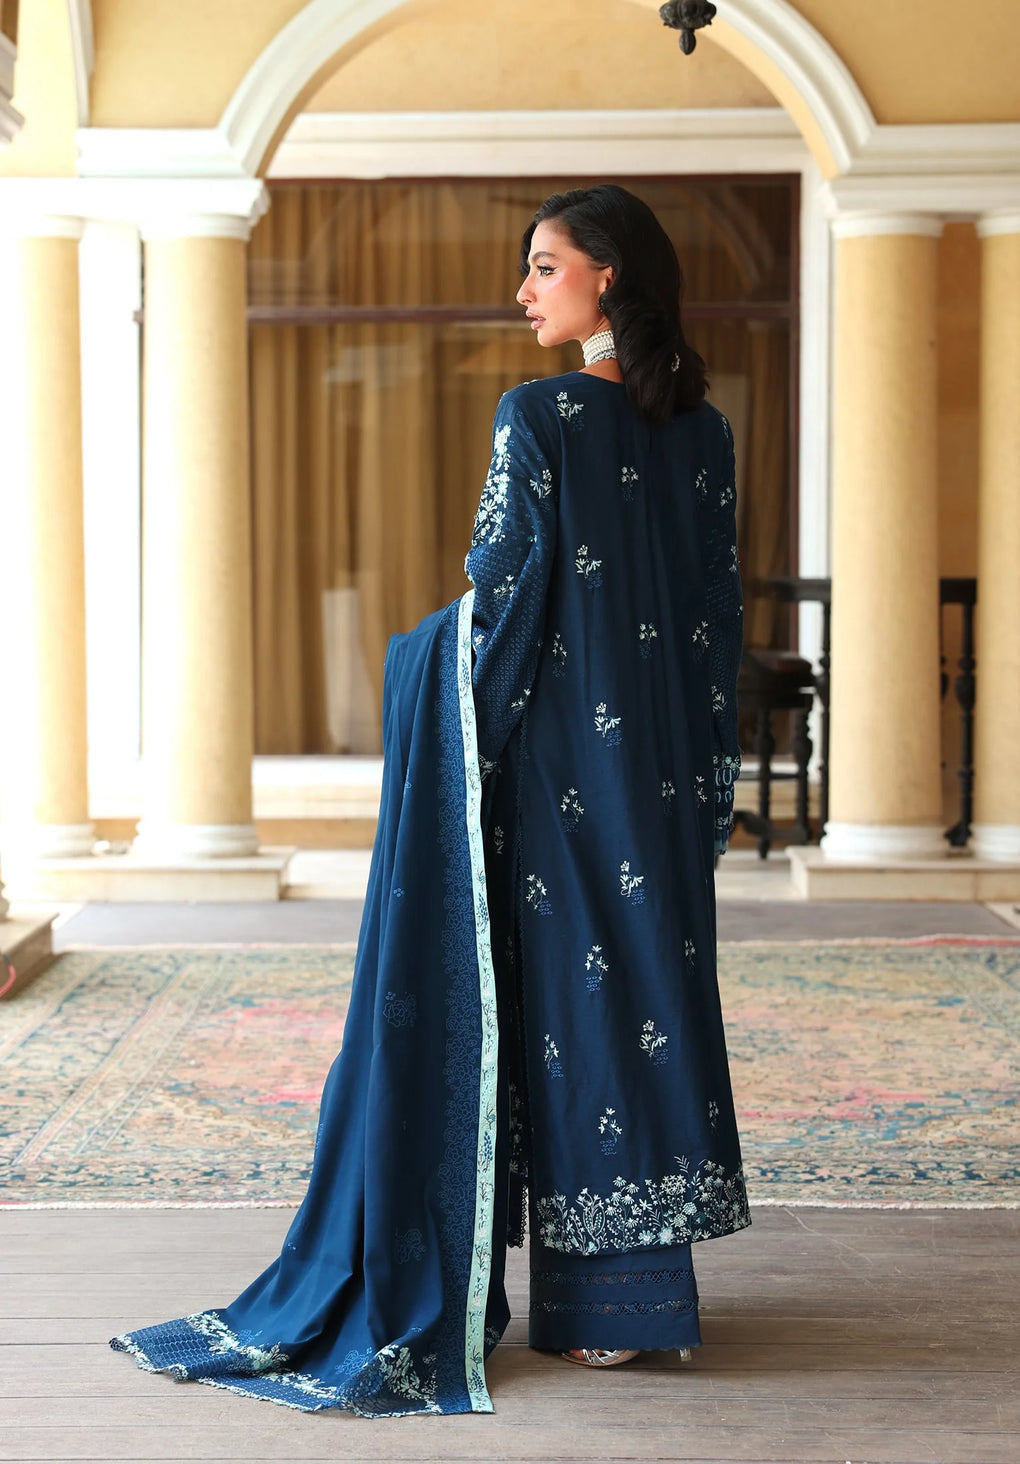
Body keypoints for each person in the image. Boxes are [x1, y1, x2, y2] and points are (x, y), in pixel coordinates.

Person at [110, 183, 748, 1416]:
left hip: (563, 775)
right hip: (661, 776)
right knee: (635, 1004)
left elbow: (502, 590)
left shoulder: (540, 415)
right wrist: (706, 779)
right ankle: (627, 1307)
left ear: (608, 275)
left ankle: (580, 1304)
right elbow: (715, 620)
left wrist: (423, 662)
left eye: (545, 266)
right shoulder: (705, 434)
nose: (524, 291)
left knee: (576, 1006)